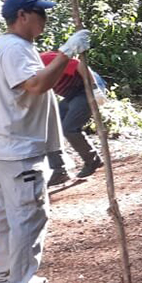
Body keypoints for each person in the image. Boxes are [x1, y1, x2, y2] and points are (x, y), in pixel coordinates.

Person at [0, 0, 91, 283]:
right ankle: (19, 281)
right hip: (20, 149)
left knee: (8, 218)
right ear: (23, 16)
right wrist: (66, 53)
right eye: (40, 13)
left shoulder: (9, 46)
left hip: (8, 147)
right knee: (29, 219)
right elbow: (36, 84)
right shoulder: (15, 48)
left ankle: (4, 278)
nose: (45, 19)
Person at [40, 51, 105, 184]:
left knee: (69, 128)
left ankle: (92, 160)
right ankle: (59, 170)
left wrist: (94, 88)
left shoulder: (43, 60)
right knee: (49, 125)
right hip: (71, 94)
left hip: (86, 88)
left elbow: (78, 64)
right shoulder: (23, 73)